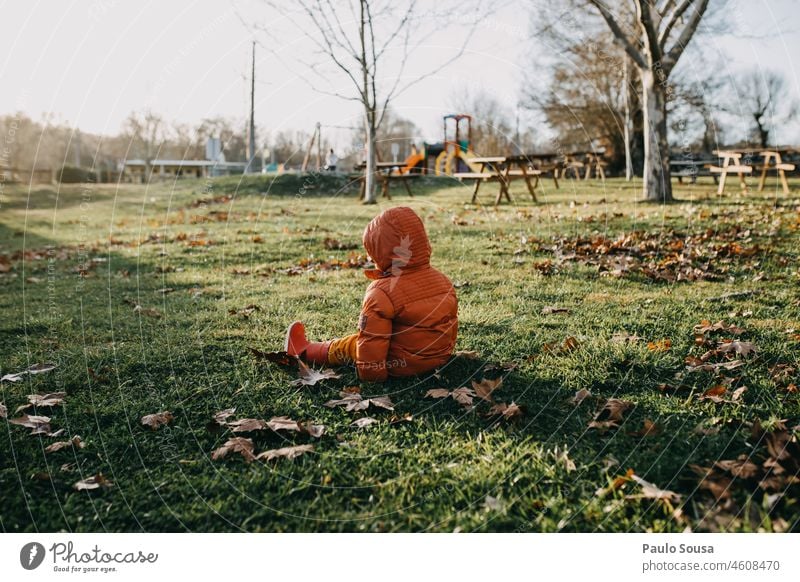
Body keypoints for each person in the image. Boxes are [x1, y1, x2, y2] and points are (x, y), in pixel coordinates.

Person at [284, 206, 458, 382]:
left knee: (350, 345)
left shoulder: (381, 292)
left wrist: (373, 376)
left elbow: (371, 341)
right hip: (438, 359)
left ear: (379, 253)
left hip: (399, 366)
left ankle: (301, 350)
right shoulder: (443, 280)